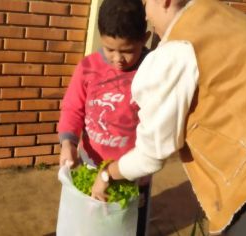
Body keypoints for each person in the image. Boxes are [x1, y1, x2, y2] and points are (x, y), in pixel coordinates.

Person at [91, 0, 246, 235]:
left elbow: (151, 155)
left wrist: (109, 174)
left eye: (147, 3)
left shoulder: (175, 50)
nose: (146, 14)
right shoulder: (225, 16)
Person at [58, 0, 151, 235]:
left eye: (128, 51)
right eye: (110, 49)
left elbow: (157, 124)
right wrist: (67, 143)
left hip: (132, 170)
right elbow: (72, 108)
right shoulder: (88, 67)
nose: (118, 58)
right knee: (90, 222)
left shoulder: (153, 70)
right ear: (101, 37)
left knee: (127, 223)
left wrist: (141, 168)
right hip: (90, 162)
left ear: (145, 38)